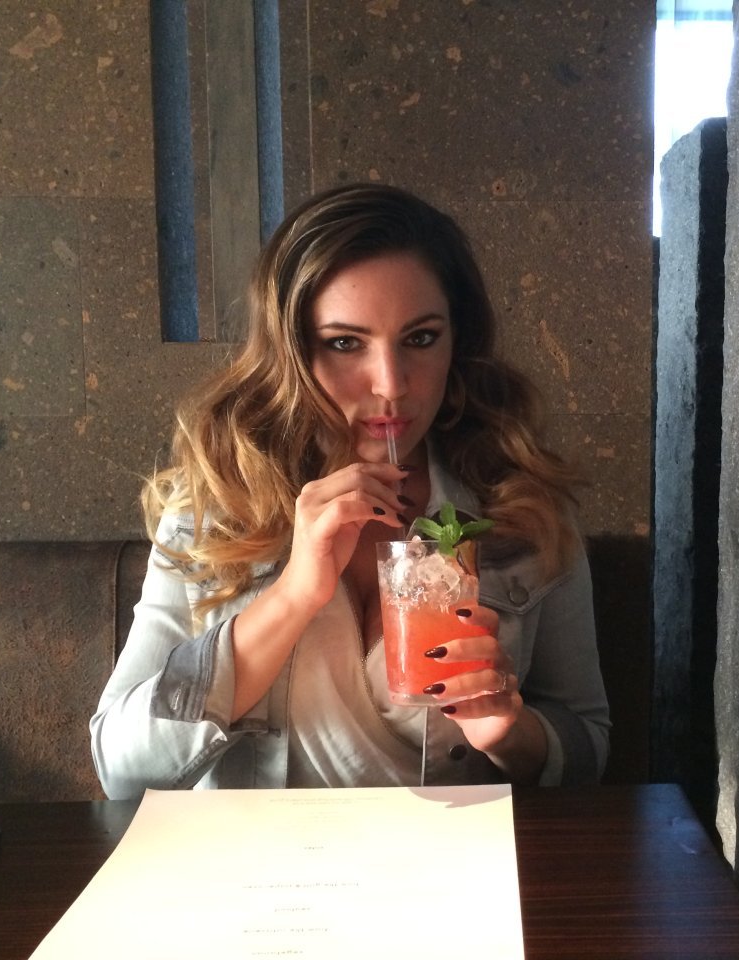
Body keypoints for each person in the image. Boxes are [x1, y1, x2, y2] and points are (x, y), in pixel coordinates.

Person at [91, 183, 610, 798]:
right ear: (292, 354)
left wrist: (508, 732)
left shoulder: (522, 510)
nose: (390, 385)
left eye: (420, 338)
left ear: (457, 342)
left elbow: (589, 751)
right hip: (259, 856)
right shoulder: (219, 507)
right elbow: (121, 769)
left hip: (447, 851)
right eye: (344, 343)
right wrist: (293, 594)